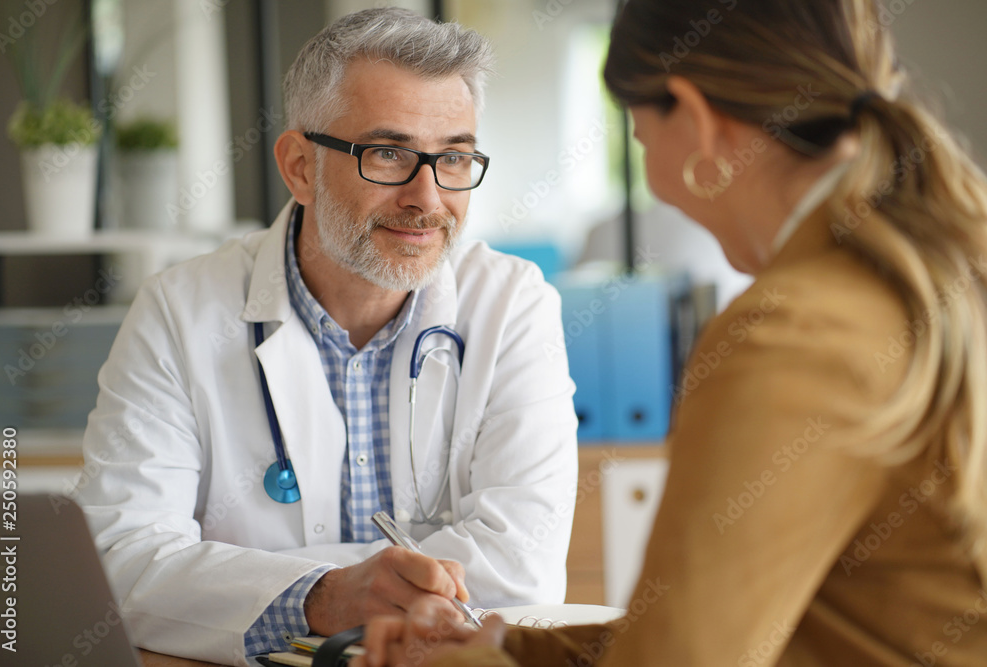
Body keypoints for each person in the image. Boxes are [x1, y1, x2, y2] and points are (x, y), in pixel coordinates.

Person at [353, 0, 987, 665]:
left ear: (692, 116)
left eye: (639, 131)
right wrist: (508, 647)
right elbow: (792, 627)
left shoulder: (792, 335)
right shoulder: (931, 269)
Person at [74, 8, 579, 665]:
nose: (427, 196)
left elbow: (525, 572)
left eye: (453, 156)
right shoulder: (179, 311)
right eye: (389, 153)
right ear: (299, 166)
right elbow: (119, 561)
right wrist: (328, 595)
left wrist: (251, 581)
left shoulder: (514, 304)